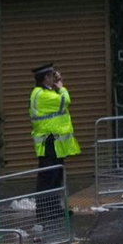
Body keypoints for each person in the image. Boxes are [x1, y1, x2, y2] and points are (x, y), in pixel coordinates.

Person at [28, 62, 80, 224]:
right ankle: (44, 212)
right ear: (45, 79)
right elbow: (65, 100)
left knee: (56, 177)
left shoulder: (47, 91)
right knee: (47, 179)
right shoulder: (41, 94)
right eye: (51, 76)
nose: (54, 78)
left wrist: (57, 85)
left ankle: (54, 208)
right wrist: (61, 86)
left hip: (54, 141)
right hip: (48, 141)